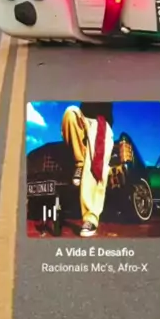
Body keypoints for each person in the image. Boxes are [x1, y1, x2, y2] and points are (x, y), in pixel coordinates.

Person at [61, 102, 115, 238]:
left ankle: (91, 217)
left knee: (96, 158)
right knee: (70, 112)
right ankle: (79, 163)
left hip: (101, 122)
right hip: (83, 120)